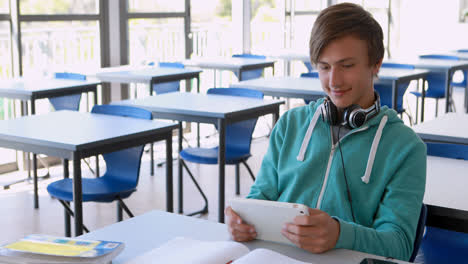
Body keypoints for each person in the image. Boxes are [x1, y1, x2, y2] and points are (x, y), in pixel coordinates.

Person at [225, 2, 426, 261]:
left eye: (347, 65)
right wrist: (241, 220)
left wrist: (340, 234)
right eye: (324, 67)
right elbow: (260, 198)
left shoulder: (406, 147)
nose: (334, 81)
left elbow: (399, 245)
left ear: (376, 64)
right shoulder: (290, 125)